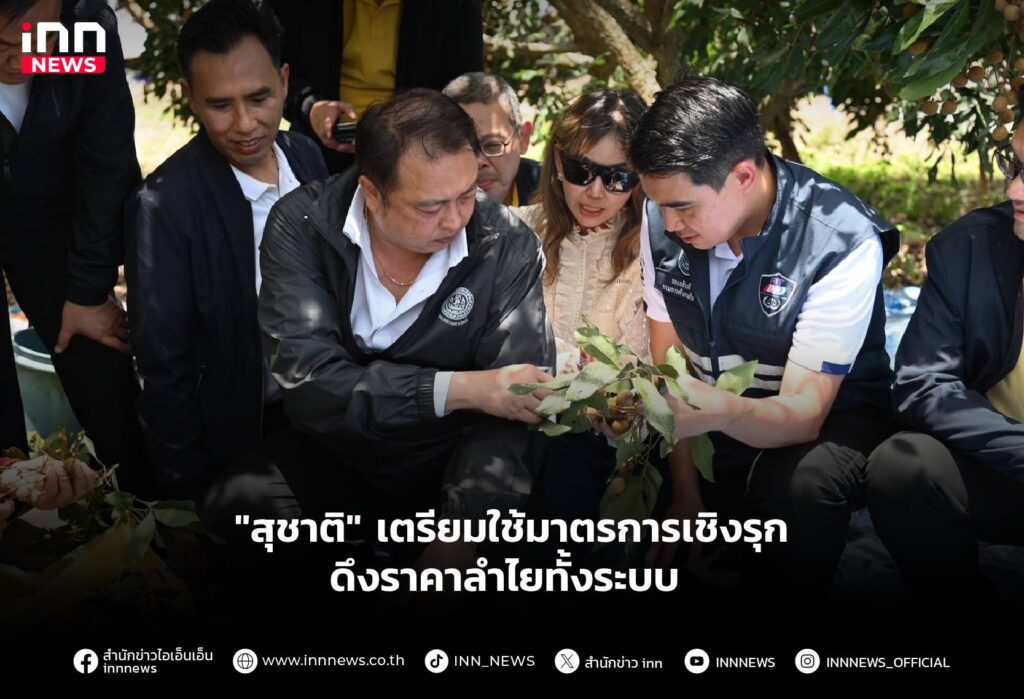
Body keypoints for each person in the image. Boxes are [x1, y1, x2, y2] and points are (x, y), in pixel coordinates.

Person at [201, 88, 554, 570]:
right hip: (332, 450)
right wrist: (461, 388)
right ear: (371, 192)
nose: (455, 219)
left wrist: (462, 531)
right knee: (237, 510)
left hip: (448, 458)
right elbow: (311, 383)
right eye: (430, 207)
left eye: (467, 194)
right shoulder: (303, 224)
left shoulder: (506, 243)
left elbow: (511, 409)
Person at [632, 77, 898, 601]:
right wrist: (685, 494)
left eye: (684, 207)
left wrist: (718, 413)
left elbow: (804, 413)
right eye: (657, 205)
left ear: (743, 176)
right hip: (710, 416)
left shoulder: (840, 240)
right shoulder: (661, 213)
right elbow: (671, 374)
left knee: (795, 492)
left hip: (822, 422)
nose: (669, 223)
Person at [125, 0, 327, 500]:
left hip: (330, 420)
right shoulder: (164, 206)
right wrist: (187, 495)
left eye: (259, 98)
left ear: (284, 81)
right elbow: (165, 370)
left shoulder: (307, 157)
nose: (244, 124)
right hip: (240, 446)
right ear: (190, 97)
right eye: (220, 105)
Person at [865, 123, 1024, 601]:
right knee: (902, 466)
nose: (1015, 190)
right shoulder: (968, 249)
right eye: (1015, 168)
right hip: (1005, 464)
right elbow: (925, 384)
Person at [0, 0, 142, 480]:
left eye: (40, 40)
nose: (23, 59)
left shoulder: (85, 31)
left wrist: (86, 291)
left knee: (98, 358)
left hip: (48, 218)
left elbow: (108, 163)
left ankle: (150, 501)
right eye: (3, 44)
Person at [512, 88, 653, 537]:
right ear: (558, 161)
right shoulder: (517, 233)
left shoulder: (656, 252)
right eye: (581, 170)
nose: (595, 193)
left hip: (608, 448)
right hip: (513, 424)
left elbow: (645, 379)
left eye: (617, 178)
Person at [268, 0, 484, 173]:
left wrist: (417, 125)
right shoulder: (300, 6)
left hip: (419, 147)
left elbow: (464, 90)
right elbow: (277, 73)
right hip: (320, 146)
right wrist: (311, 109)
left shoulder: (455, 6)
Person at [443, 72, 539, 206]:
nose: (478, 162)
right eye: (461, 148)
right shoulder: (424, 198)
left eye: (492, 145)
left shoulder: (553, 192)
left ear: (523, 138)